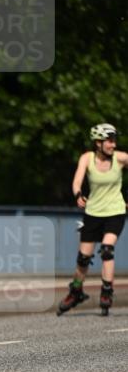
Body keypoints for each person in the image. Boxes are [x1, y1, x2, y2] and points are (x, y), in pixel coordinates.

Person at [58, 123, 127, 316]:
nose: (113, 145)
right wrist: (78, 194)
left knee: (107, 249)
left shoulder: (120, 158)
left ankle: (107, 292)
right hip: (93, 213)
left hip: (115, 211)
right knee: (83, 258)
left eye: (114, 141)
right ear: (98, 142)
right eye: (109, 141)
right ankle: (76, 291)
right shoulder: (87, 158)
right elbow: (77, 180)